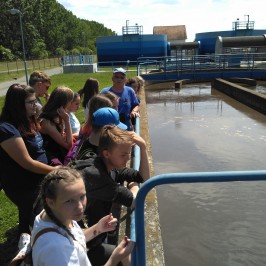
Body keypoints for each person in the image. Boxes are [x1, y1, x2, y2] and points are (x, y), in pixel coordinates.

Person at [77, 125, 150, 263]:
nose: (128, 158)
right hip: (79, 244)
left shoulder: (107, 165)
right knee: (129, 258)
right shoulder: (96, 175)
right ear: (106, 153)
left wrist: (143, 148)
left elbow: (143, 177)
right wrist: (133, 186)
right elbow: (135, 201)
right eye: (123, 155)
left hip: (90, 234)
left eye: (130, 153)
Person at [32, 167, 134, 266]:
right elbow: (65, 242)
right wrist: (114, 259)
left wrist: (98, 228)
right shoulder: (57, 250)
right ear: (50, 202)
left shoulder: (53, 214)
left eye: (82, 196)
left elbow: (73, 236)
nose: (80, 207)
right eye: (69, 201)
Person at [0, 84, 57, 234]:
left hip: (38, 178)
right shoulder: (6, 129)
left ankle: (25, 232)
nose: (35, 105)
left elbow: (39, 149)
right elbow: (27, 163)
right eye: (31, 102)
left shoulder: (28, 120)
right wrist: (54, 170)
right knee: (44, 218)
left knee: (31, 215)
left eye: (35, 101)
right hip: (23, 184)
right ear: (18, 105)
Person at [39, 85, 74, 165]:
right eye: (70, 101)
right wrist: (67, 121)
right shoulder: (47, 122)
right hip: (53, 160)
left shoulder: (57, 115)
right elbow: (68, 145)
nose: (71, 104)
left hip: (59, 154)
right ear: (63, 103)